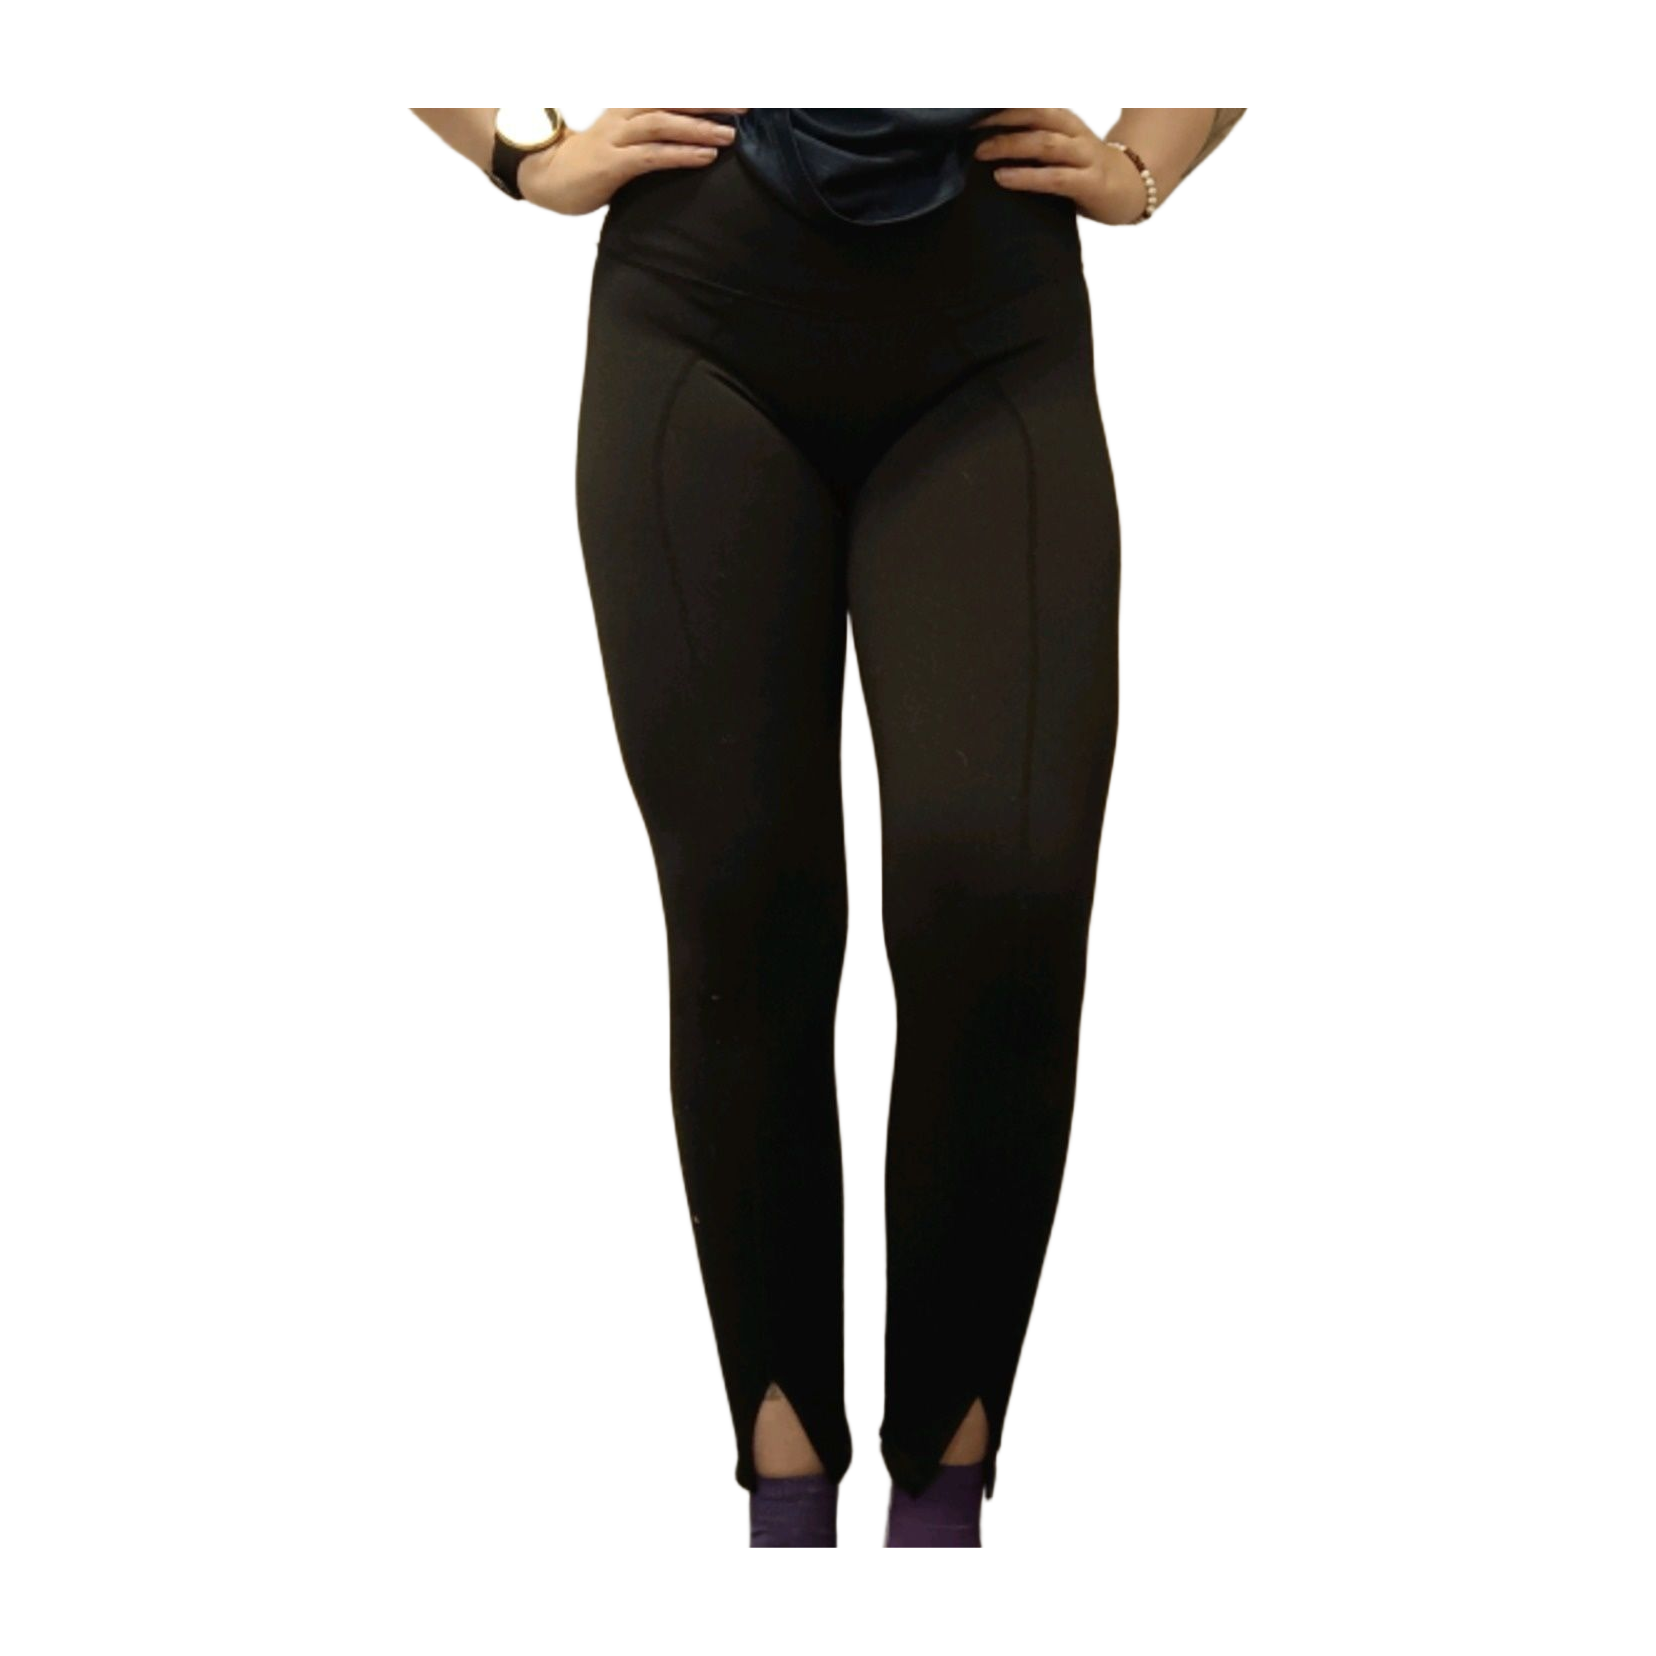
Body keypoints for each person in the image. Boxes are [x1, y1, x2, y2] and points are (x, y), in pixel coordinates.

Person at [409, 107, 1246, 1549]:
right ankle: (788, 1487)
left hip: (994, 320)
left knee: (1005, 887)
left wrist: (1147, 164)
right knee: (745, 909)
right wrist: (520, 150)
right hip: (699, 309)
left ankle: (943, 1491)